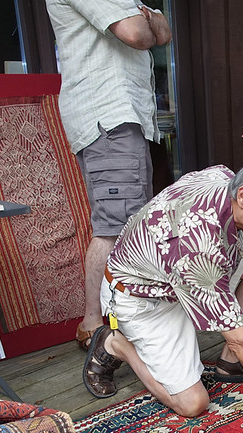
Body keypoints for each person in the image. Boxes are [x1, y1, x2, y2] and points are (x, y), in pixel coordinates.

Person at [81, 153, 243, 433]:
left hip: (177, 277)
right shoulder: (199, 249)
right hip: (141, 299)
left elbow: (216, 232)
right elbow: (240, 339)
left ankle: (228, 365)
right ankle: (116, 344)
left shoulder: (225, 178)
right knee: (193, 403)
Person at [45, 0, 172, 351]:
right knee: (115, 226)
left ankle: (118, 320)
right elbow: (137, 34)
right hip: (108, 118)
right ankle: (94, 325)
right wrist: (144, 21)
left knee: (128, 223)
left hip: (126, 117)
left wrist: (146, 19)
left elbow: (163, 33)